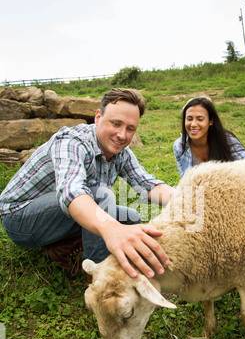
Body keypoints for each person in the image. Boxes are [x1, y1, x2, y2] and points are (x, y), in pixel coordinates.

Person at [0, 88, 174, 279]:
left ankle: (61, 249)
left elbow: (148, 185)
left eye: (130, 129)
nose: (122, 135)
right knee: (102, 196)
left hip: (60, 214)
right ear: (98, 117)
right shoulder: (72, 142)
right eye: (116, 124)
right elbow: (72, 192)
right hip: (19, 218)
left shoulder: (121, 152)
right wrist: (111, 228)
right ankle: (100, 279)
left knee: (130, 217)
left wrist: (186, 199)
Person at [173, 96, 245, 177]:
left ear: (211, 121)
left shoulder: (227, 140)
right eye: (189, 119)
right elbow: (185, 180)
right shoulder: (179, 146)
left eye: (200, 119)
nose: (193, 124)